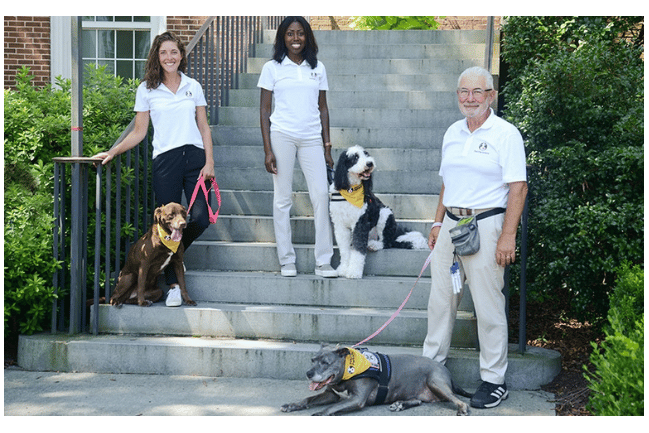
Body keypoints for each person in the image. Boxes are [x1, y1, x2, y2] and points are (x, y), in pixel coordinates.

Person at [423, 66, 528, 409]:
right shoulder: (452, 132)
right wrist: (437, 223)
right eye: (463, 92)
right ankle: (430, 370)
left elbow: (518, 187)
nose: (469, 98)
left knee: (487, 306)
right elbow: (445, 182)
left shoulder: (506, 133)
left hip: (487, 225)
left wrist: (508, 235)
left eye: (477, 92)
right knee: (441, 301)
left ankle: (494, 381)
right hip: (451, 227)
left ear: (491, 96)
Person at [93, 31, 215, 307]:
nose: (169, 57)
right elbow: (139, 132)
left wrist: (210, 162)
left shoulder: (193, 86)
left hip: (195, 159)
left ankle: (171, 256)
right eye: (163, 53)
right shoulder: (146, 89)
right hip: (166, 162)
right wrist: (113, 151)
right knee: (167, 225)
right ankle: (173, 283)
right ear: (157, 57)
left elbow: (204, 126)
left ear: (181, 55)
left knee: (201, 216)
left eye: (174, 52)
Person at [257, 16, 337, 278]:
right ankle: (286, 259)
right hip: (282, 136)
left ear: (307, 37)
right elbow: (265, 110)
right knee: (282, 199)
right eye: (290, 34)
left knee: (321, 196)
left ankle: (323, 261)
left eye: (300, 33)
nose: (295, 38)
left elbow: (323, 108)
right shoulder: (272, 67)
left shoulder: (318, 68)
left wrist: (327, 145)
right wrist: (268, 149)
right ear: (283, 37)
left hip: (312, 138)